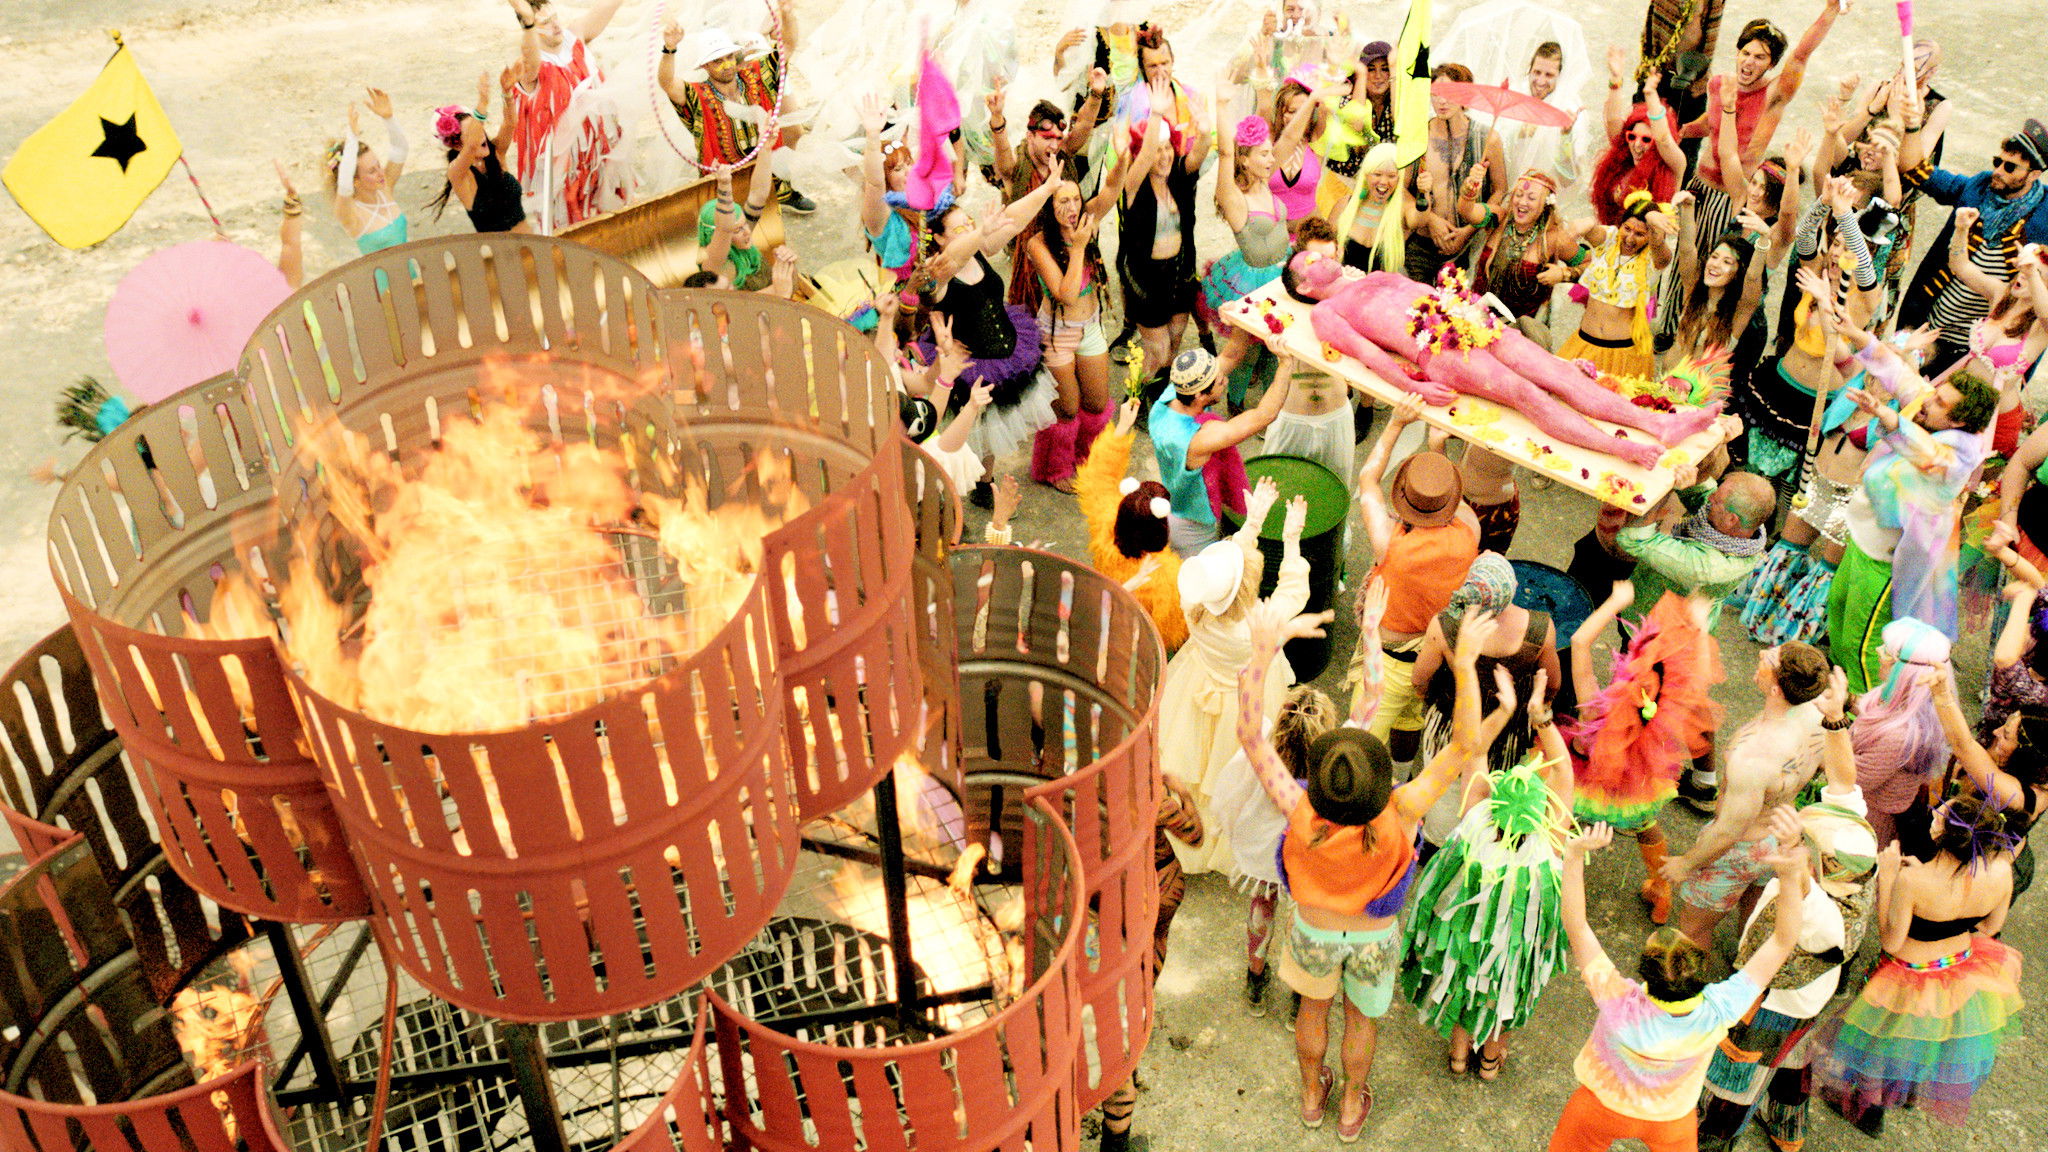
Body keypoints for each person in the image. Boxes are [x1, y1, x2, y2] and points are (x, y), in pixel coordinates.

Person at [1241, 600, 1514, 1143]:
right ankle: (1349, 1106)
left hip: (1313, 931)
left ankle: (1312, 1097)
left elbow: (1250, 735)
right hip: (1373, 939)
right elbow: (1465, 745)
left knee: (1312, 1012)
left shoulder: (1297, 806)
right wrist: (1464, 666)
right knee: (1360, 1021)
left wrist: (1261, 652)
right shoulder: (1403, 809)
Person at [1281, 257, 1723, 470]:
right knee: (1524, 392)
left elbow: (1434, 294)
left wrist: (1474, 307)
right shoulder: (1326, 313)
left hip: (1471, 323)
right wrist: (1412, 386)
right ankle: (1620, 448)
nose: (1325, 256)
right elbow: (1369, 354)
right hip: (1439, 353)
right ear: (1304, 287)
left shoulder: (1374, 275)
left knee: (1559, 373)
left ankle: (1658, 424)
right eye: (1312, 261)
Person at [1695, 667, 1881, 1152]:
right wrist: (1836, 720)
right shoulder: (1854, 838)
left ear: (1825, 867)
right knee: (1793, 1062)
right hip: (1812, 999)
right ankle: (1786, 1127)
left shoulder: (1820, 911)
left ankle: (1712, 1139)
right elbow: (1843, 779)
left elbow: (1783, 936)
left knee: (1737, 1076)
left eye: (1812, 847)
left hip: (1777, 1001)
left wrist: (1792, 858)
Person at [1547, 813, 1807, 1152]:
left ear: (1644, 972)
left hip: (1601, 1106)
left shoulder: (1617, 998)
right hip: (1671, 1119)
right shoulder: (1719, 1008)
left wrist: (1573, 856)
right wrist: (1790, 875)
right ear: (1699, 969)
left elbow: (1577, 925)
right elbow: (1782, 942)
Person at [1810, 795, 2023, 1133]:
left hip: (1907, 975)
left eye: (1939, 815)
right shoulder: (2000, 871)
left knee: (1880, 1044)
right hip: (1958, 967)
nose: (1934, 815)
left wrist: (1888, 879)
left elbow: (1891, 941)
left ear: (1943, 832)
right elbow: (1990, 926)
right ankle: (1903, 1094)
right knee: (1920, 1041)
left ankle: (1868, 1109)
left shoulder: (1914, 881)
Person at [1400, 671, 1573, 1080]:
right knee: (1505, 988)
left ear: (1496, 795)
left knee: (1468, 980)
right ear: (1541, 812)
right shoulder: (1548, 844)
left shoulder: (1475, 819)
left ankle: (1459, 1055)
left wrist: (1506, 708)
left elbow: (1476, 753)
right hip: (1514, 942)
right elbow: (1564, 771)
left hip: (1469, 928)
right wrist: (1540, 717)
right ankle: (1491, 1060)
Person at [1160, 479, 1304, 876]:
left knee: (1194, 769)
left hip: (1198, 683)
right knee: (1235, 775)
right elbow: (1294, 592)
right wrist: (1291, 540)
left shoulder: (1194, 602)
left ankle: (1188, 834)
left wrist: (1253, 522)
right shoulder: (1259, 626)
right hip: (1246, 701)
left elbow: (1218, 575)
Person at [1825, 364, 1998, 694]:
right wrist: (1862, 340)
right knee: (1837, 614)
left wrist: (1885, 415)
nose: (1928, 400)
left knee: (1863, 647)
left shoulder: (1959, 454)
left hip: (1884, 563)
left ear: (1958, 422)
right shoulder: (1929, 417)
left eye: (1940, 402)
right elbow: (1900, 374)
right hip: (1862, 543)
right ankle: (1841, 697)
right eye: (1935, 394)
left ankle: (1866, 713)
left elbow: (1924, 451)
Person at [1565, 585, 1724, 926]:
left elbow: (1579, 642)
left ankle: (1547, 873)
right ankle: (1661, 889)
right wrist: (1699, 631)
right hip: (1632, 788)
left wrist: (1615, 602)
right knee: (1646, 827)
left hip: (1578, 783)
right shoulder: (1664, 714)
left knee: (1556, 816)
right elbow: (1695, 682)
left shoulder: (1593, 709)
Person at [1662, 641, 1830, 948]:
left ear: (1777, 689)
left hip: (1742, 849)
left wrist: (1686, 864)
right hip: (1781, 836)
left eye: (1769, 659)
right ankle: (1746, 958)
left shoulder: (1752, 757)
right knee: (1755, 912)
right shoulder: (1821, 712)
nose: (1761, 654)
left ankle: (1691, 977)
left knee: (1692, 929)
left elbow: (1730, 830)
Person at [1353, 398, 1481, 766]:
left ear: (1403, 500)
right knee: (1410, 722)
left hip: (1388, 664)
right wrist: (1437, 448)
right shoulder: (1469, 529)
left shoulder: (1390, 543)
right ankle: (1403, 771)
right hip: (1436, 660)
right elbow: (1450, 499)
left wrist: (1396, 423)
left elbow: (1367, 478)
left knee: (1360, 739)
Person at [1676, 8, 1846, 249]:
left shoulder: (1774, 94)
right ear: (1737, 52)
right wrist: (1682, 130)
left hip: (1734, 197)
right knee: (1684, 261)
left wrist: (1831, 10)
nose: (1749, 61)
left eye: (1760, 57)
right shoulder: (1719, 84)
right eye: (1746, 53)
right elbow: (1709, 123)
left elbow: (1800, 56)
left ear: (1772, 63)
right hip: (1699, 188)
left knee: (1719, 265)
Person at [1410, 553, 1560, 811]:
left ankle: (1437, 832)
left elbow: (1419, 681)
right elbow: (1553, 683)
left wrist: (1432, 699)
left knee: (1443, 791)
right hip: (1508, 732)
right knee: (1496, 794)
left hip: (1453, 726)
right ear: (1512, 589)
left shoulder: (1443, 626)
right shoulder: (1541, 629)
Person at [1900, 119, 2048, 370]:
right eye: (1997, 162)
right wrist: (1913, 125)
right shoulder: (1978, 187)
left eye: (2010, 167)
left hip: (1979, 348)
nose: (1998, 171)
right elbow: (1915, 170)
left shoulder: (2045, 215)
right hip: (1928, 327)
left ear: (2034, 174)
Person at [660, 5, 816, 215]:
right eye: (717, 61)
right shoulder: (697, 95)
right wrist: (669, 49)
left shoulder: (757, 76)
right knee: (732, 229)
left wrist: (787, 14)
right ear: (705, 66)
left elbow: (787, 46)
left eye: (728, 57)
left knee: (769, 228)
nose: (726, 65)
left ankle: (783, 195)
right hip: (726, 187)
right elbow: (667, 83)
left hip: (768, 178)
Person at [1018, 173, 1118, 493]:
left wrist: (1126, 154)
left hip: (1090, 328)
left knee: (1097, 404)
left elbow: (1114, 187)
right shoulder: (1037, 244)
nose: (1072, 208)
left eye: (1076, 199)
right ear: (1048, 206)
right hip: (1056, 334)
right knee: (1068, 408)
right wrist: (1078, 247)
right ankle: (1054, 468)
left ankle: (1086, 459)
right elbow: (1067, 295)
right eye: (1063, 201)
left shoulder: (1087, 221)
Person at [1149, 349, 1292, 557]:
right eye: (1219, 381)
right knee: (1203, 574)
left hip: (1172, 505)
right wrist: (1286, 363)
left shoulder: (1170, 398)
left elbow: (1230, 355)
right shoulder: (1197, 440)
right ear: (1199, 395)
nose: (1225, 380)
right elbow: (1264, 415)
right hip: (1193, 529)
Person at [505, 0, 631, 232]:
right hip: (564, 171)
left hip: (600, 155)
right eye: (546, 22)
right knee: (571, 225)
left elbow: (608, 5)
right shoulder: (529, 67)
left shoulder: (575, 36)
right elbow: (530, 58)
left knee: (614, 217)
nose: (555, 25)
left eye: (555, 18)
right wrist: (529, 23)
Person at [1074, 398, 1186, 652]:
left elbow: (1097, 476)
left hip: (1104, 616)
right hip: (1136, 646)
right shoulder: (1169, 576)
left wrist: (1122, 427)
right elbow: (1169, 632)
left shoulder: (1105, 522)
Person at [1611, 462, 1774, 627]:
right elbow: (1703, 495)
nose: (1710, 498)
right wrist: (1691, 476)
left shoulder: (1706, 567)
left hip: (1654, 629)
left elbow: (1634, 540)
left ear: (1731, 519)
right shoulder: (1748, 526)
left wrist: (1659, 495)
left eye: (1716, 500)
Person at [1846, 618, 1952, 852]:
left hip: (1864, 824)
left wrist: (1831, 728)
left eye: (1887, 651)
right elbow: (1877, 713)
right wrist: (1846, 701)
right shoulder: (1914, 707)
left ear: (1905, 671)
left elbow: (1849, 778)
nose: (1878, 651)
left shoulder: (1899, 736)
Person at [1119, 112, 1211, 381]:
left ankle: (1160, 393)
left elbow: (1200, 152)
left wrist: (1205, 130)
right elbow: (1144, 157)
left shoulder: (1178, 177)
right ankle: (1135, 397)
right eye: (1156, 150)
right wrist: (1157, 113)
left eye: (1168, 148)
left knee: (1173, 345)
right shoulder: (1133, 186)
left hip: (1179, 275)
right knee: (1157, 353)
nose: (1164, 156)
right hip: (1146, 281)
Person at [1555, 190, 1674, 382]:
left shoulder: (1654, 259)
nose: (1630, 238)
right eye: (1627, 229)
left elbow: (1659, 245)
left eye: (1640, 234)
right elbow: (1589, 229)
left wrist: (1653, 220)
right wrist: (1587, 223)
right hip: (1584, 344)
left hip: (1624, 356)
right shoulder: (1610, 239)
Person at [1408, 63, 1507, 282]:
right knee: (1416, 299)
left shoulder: (1487, 138)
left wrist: (1469, 230)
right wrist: (1431, 220)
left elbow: (1500, 190)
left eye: (1450, 94)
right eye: (1435, 94)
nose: (1441, 101)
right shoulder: (1419, 135)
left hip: (1465, 245)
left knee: (1455, 302)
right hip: (1421, 243)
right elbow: (1403, 190)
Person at [1465, 168, 1576, 340]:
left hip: (1519, 335)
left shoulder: (1554, 238)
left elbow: (1588, 265)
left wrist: (1564, 274)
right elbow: (1468, 212)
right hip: (1474, 320)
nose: (1522, 202)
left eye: (1531, 198)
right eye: (1518, 195)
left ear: (1546, 204)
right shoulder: (1499, 219)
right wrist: (1469, 191)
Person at [1591, 47, 1683, 227]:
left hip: (1649, 242)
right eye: (1632, 137)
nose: (1637, 145)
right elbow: (1612, 120)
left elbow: (1663, 138)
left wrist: (1651, 96)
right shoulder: (1624, 157)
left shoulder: (1674, 164)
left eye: (1646, 140)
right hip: (1616, 237)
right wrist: (1616, 79)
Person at [990, 83, 1107, 206]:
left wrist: (1096, 93)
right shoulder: (1016, 165)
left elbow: (1085, 123)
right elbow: (1003, 150)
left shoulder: (1062, 152)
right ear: (1030, 136)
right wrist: (996, 116)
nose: (1054, 146)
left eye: (1058, 138)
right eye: (1047, 138)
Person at [429, 92, 529, 235]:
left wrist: (507, 94)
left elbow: (510, 123)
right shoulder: (458, 174)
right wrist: (482, 103)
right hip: (495, 247)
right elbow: (470, 147)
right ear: (458, 146)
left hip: (526, 241)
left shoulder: (496, 154)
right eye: (472, 133)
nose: (481, 135)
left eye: (480, 129)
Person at [326, 87, 409, 256]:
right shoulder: (350, 213)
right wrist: (352, 137)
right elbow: (344, 184)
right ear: (355, 181)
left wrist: (389, 118)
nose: (381, 173)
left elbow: (400, 149)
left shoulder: (384, 189)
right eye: (371, 171)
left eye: (378, 165)